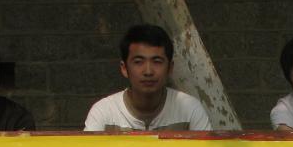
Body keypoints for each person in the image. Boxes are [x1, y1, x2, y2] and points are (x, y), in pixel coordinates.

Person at [84, 24, 212, 131]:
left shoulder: (190, 109)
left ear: (170, 68)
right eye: (138, 62)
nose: (148, 71)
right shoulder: (104, 113)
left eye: (157, 61)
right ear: (124, 68)